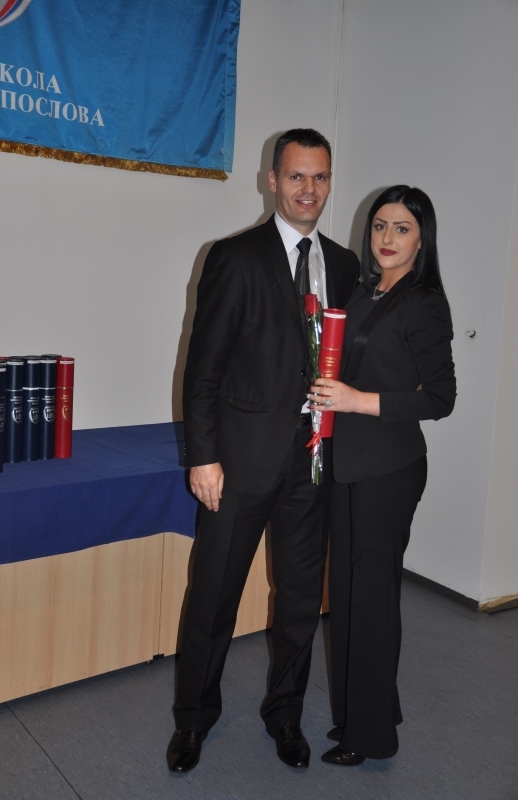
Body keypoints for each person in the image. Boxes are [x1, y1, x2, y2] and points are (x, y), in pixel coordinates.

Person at [166, 129, 359, 773]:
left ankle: (285, 715)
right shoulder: (234, 257)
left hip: (314, 462)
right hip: (240, 464)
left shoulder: (345, 266)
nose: (309, 189)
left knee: (301, 600)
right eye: (297, 176)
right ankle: (193, 719)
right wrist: (203, 456)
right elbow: (202, 368)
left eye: (320, 177)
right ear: (272, 180)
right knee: (213, 595)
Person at [309, 185, 456, 766]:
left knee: (370, 600)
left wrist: (355, 399)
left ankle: (370, 738)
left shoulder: (424, 302)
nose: (387, 238)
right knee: (348, 596)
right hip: (348, 463)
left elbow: (440, 398)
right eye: (379, 226)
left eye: (401, 228)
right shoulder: (364, 291)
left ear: (422, 239)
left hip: (389, 469)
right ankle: (364, 713)